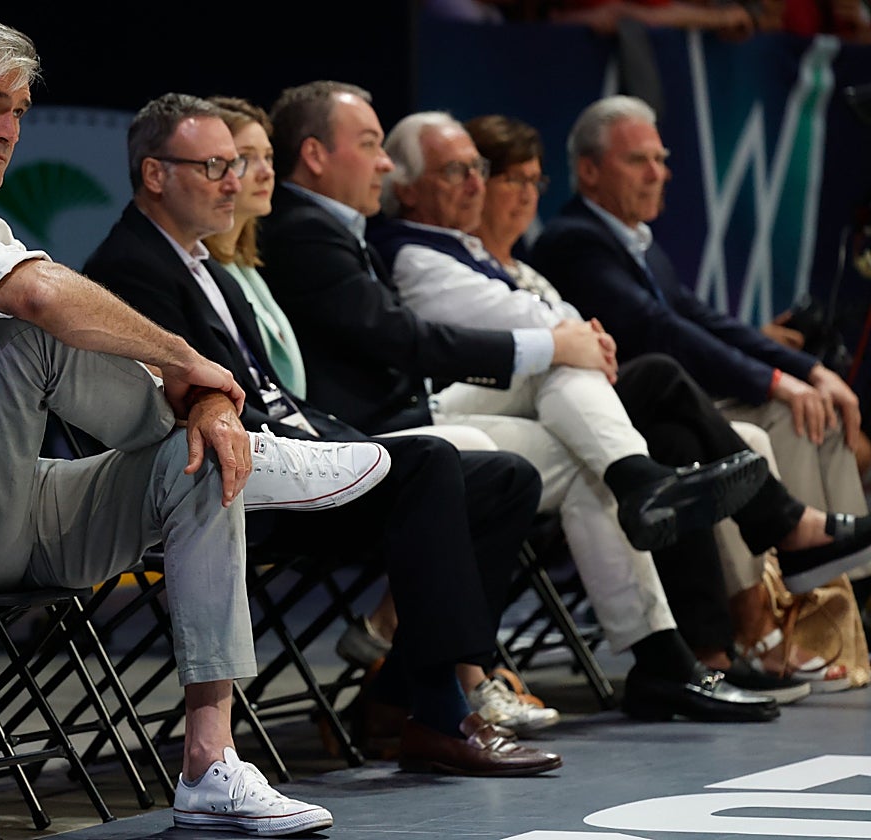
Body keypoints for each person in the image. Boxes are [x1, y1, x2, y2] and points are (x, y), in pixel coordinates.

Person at [0, 18, 399, 837]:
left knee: (198, 462)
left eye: (20, 111)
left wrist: (205, 404)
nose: (9, 129)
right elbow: (41, 304)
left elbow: (74, 322)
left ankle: (210, 764)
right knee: (34, 317)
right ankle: (236, 440)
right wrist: (186, 361)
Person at [81, 90, 566, 771]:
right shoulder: (129, 267)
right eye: (213, 166)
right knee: (428, 466)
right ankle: (441, 716)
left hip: (288, 456)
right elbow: (185, 405)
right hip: (224, 487)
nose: (233, 180)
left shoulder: (204, 260)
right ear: (155, 174)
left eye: (235, 163)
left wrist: (330, 440)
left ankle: (399, 693)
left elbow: (269, 389)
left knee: (503, 478)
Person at [370, 109, 862, 692]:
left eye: (484, 170)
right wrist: (574, 340)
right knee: (642, 378)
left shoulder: (496, 258)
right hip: (464, 415)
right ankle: (735, 547)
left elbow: (601, 322)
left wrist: (574, 338)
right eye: (462, 172)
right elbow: (554, 327)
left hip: (545, 410)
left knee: (677, 441)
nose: (483, 186)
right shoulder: (420, 251)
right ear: (404, 186)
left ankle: (708, 649)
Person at [529, 94, 871, 597]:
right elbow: (660, 331)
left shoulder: (636, 241)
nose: (657, 173)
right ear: (589, 170)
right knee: (792, 419)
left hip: (670, 407)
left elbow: (702, 318)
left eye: (661, 159)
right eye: (637, 160)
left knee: (819, 410)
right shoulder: (574, 241)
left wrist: (807, 372)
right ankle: (798, 612)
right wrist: (779, 385)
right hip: (633, 426)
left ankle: (847, 602)